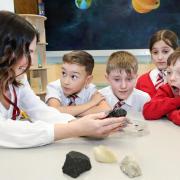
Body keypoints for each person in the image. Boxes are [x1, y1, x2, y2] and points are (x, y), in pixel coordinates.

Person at [0, 11, 127, 148]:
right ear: (5, 48)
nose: (31, 61)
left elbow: (40, 111)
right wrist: (77, 129)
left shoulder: (19, 79)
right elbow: (5, 131)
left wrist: (81, 125)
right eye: (28, 52)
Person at [45, 50, 111, 117]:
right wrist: (91, 103)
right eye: (63, 73)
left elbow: (106, 109)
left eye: (73, 76)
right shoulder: (53, 87)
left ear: (87, 80)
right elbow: (55, 111)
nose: (66, 82)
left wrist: (71, 112)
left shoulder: (90, 89)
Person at [136, 29, 179, 98]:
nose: (160, 57)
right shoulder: (142, 80)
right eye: (155, 52)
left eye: (165, 51)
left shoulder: (177, 78)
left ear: (176, 51)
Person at [143, 50, 180, 125]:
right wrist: (178, 100)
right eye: (169, 72)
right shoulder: (167, 88)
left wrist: (169, 112)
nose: (172, 78)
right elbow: (148, 111)